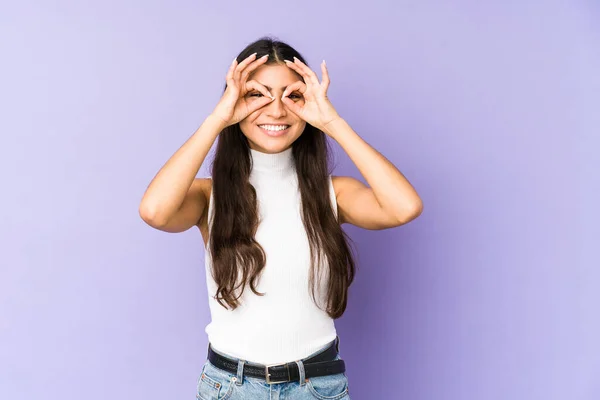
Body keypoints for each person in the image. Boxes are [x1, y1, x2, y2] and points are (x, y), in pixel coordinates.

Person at [139, 36, 423, 399]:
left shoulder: (332, 192)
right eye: (257, 94)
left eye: (293, 96)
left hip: (317, 386)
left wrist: (332, 122)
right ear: (234, 101)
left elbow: (404, 207)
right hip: (231, 387)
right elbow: (155, 211)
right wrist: (217, 119)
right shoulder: (209, 195)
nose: (276, 111)